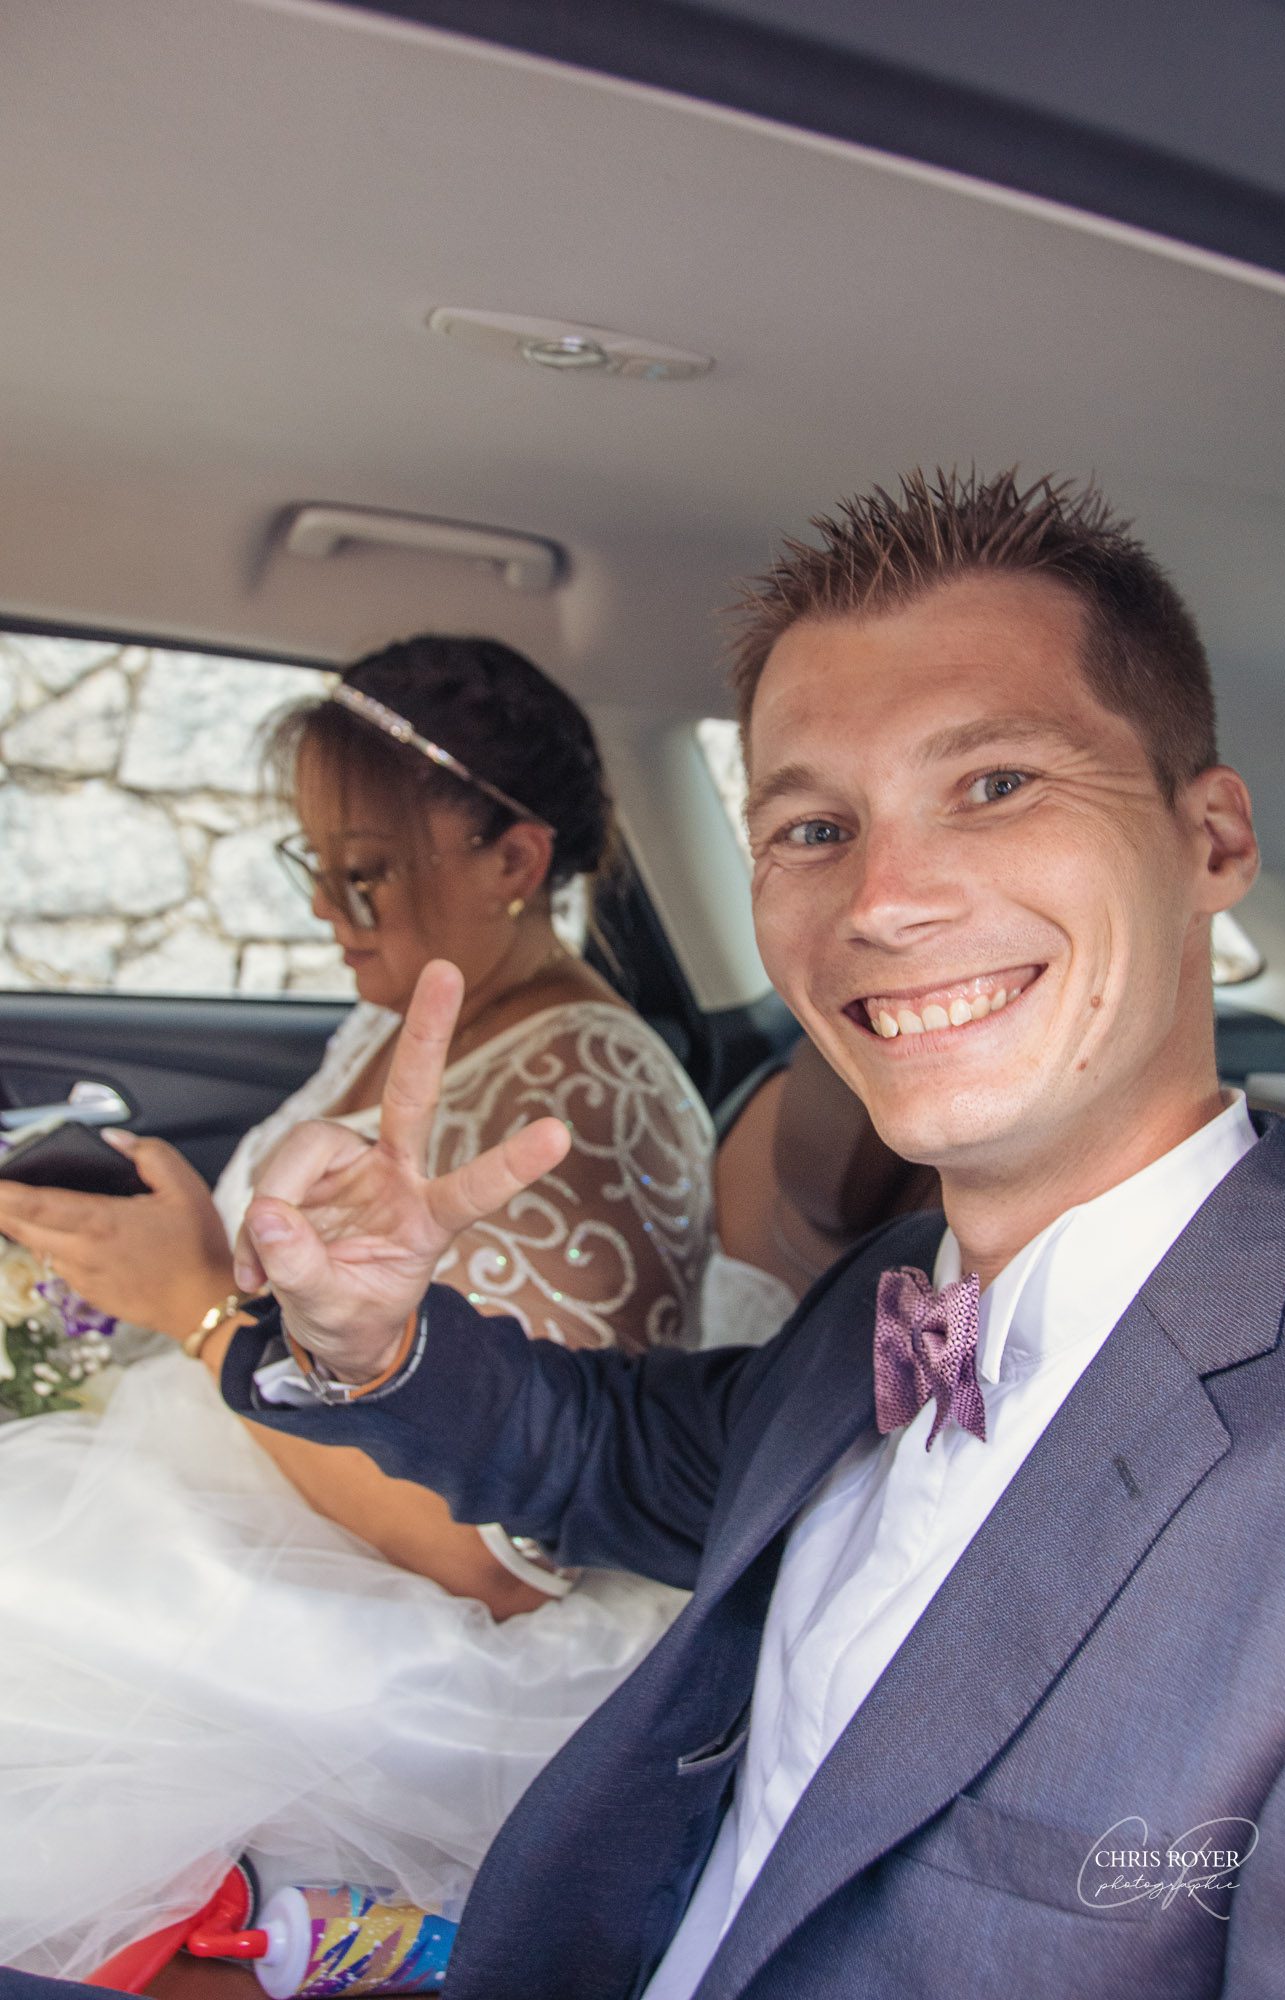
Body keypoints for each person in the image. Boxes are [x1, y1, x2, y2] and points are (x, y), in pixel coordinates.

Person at [136, 467, 1285, 2000]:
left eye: (996, 786)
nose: (884, 902)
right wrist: (367, 1335)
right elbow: (615, 1455)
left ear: (1211, 840)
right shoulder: (885, 1302)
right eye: (814, 826)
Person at [0, 637, 792, 1981]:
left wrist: (198, 1309)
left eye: (360, 872)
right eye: (308, 865)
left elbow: (496, 1562)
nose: (325, 909)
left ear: (514, 862)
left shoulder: (583, 1093)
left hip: (429, 1632)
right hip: (257, 1472)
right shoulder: (400, 1024)